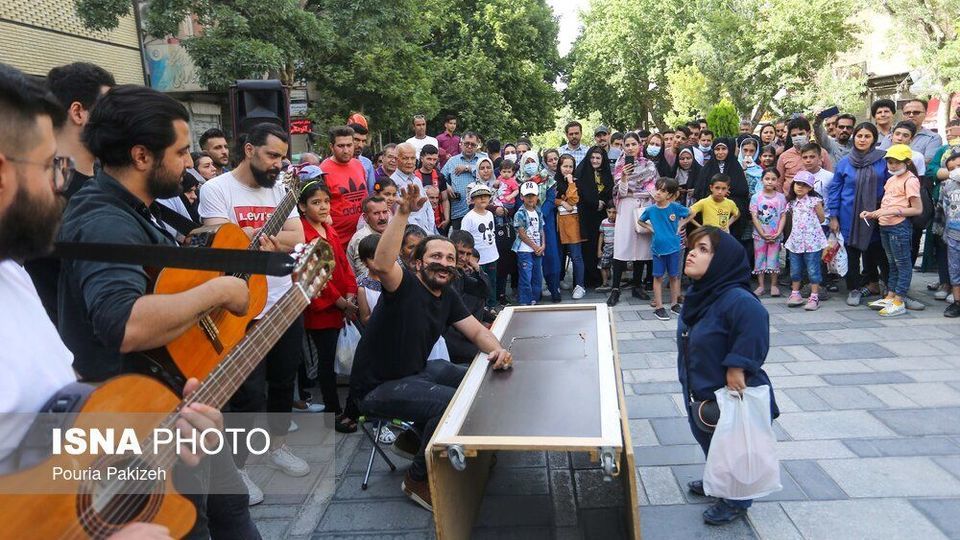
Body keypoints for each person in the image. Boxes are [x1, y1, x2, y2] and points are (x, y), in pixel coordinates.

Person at [0, 63, 246, 539]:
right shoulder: (101, 218)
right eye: (53, 165)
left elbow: (55, 417)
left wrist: (159, 429)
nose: (62, 186)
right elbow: (121, 323)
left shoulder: (11, 274)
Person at [349, 184, 512, 511]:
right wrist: (403, 212)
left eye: (450, 258)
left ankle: (415, 439)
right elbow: (381, 263)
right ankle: (418, 478)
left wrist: (498, 350)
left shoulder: (448, 295)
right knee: (452, 402)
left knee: (469, 378)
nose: (444, 262)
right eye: (435, 256)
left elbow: (477, 332)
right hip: (376, 387)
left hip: (414, 373)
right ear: (418, 262)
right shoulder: (402, 284)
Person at [198, 122, 310, 500]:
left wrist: (265, 240)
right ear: (248, 150)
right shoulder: (216, 189)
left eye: (282, 156)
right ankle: (238, 467)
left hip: (282, 300)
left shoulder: (281, 190)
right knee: (247, 393)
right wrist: (265, 239)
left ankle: (278, 447)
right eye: (272, 155)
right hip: (240, 309)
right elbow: (220, 238)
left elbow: (299, 237)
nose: (278, 164)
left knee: (282, 382)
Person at [677, 226, 778, 526]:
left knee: (733, 445)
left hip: (729, 390)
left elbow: (756, 327)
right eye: (694, 247)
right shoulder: (703, 293)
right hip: (702, 387)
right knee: (710, 438)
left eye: (704, 249)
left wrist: (738, 365)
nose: (692, 253)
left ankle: (736, 500)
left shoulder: (737, 299)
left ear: (722, 261)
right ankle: (718, 480)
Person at [23, 62, 115, 323]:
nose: (120, 121)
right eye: (110, 109)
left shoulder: (100, 179)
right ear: (78, 112)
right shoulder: (46, 187)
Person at [298, 179, 358, 415]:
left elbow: (343, 262)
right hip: (323, 309)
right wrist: (341, 302)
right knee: (327, 361)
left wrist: (351, 292)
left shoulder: (328, 228)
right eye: (316, 203)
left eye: (326, 202)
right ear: (303, 207)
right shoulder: (303, 233)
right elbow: (314, 276)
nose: (323, 207)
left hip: (343, 303)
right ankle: (333, 410)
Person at [826, 122, 890, 306]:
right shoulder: (845, 162)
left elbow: (889, 188)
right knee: (852, 254)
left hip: (874, 215)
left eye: (867, 136)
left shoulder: (883, 160)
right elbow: (835, 191)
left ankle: (888, 288)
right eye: (859, 136)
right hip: (849, 216)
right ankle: (853, 289)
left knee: (879, 252)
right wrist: (834, 216)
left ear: (874, 139)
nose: (862, 140)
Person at [859, 144, 923, 317]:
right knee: (892, 264)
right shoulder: (891, 179)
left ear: (907, 162)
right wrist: (872, 213)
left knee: (902, 264)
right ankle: (890, 296)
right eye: (890, 162)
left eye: (896, 162)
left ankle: (899, 300)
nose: (892, 165)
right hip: (885, 226)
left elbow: (917, 209)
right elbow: (888, 204)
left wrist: (891, 211)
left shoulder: (911, 180)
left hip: (899, 227)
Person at [607, 133, 657, 306]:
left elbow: (653, 189)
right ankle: (615, 289)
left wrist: (635, 191)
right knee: (622, 246)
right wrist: (625, 178)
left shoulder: (649, 165)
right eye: (626, 145)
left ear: (639, 145)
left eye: (633, 144)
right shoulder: (620, 165)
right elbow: (620, 192)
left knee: (642, 247)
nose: (630, 148)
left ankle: (637, 285)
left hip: (643, 206)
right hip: (626, 208)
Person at [637, 178, 690, 319]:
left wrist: (680, 225)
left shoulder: (675, 207)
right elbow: (640, 221)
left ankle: (674, 304)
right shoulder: (651, 210)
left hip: (674, 247)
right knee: (658, 277)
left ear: (670, 195)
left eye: (663, 191)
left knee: (674, 276)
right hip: (658, 249)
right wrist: (650, 227)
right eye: (657, 189)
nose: (658, 193)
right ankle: (659, 306)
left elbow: (691, 213)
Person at [321, 126, 369, 251]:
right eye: (341, 146)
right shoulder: (323, 171)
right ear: (331, 147)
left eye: (349, 145)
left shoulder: (358, 165)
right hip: (337, 242)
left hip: (362, 239)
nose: (346, 150)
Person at [784, 171, 828, 311]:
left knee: (813, 269)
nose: (800, 187)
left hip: (812, 241)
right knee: (795, 270)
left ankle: (814, 296)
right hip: (795, 241)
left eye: (804, 185)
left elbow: (821, 219)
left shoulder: (814, 201)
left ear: (810, 188)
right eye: (798, 184)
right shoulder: (791, 202)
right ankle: (795, 293)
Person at [576, 145, 614, 288]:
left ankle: (601, 278)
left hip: (601, 214)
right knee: (588, 246)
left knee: (601, 244)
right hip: (586, 214)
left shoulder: (606, 173)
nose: (595, 160)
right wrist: (593, 202)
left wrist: (602, 202)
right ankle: (588, 278)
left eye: (598, 158)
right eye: (592, 157)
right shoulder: (582, 171)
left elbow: (609, 188)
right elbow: (581, 191)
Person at [750, 168, 787, 296]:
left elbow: (783, 216)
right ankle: (760, 285)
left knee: (774, 259)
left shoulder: (781, 198)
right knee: (759, 259)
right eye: (767, 179)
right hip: (759, 235)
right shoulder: (756, 197)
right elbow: (754, 216)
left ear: (777, 181)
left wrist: (778, 232)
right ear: (762, 180)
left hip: (775, 235)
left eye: (773, 179)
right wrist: (761, 233)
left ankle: (773, 285)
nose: (769, 182)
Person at [461, 182, 499, 307]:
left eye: (486, 196)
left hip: (492, 255)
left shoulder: (489, 214)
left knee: (492, 281)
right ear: (473, 199)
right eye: (479, 196)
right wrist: (470, 259)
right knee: (479, 283)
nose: (483, 198)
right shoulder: (469, 218)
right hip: (478, 259)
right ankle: (481, 307)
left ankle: (492, 305)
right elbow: (464, 240)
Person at [555, 153, 586, 299]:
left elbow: (574, 199)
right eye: (565, 166)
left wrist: (571, 183)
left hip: (572, 223)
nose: (568, 169)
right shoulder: (553, 182)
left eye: (570, 166)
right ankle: (558, 281)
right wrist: (561, 202)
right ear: (559, 167)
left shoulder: (576, 181)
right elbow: (549, 199)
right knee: (558, 256)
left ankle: (579, 285)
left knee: (576, 256)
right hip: (557, 224)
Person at [776, 116, 833, 192]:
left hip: (818, 199)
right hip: (791, 200)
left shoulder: (822, 152)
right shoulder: (784, 156)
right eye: (794, 135)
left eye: (801, 134)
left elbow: (830, 178)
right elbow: (779, 183)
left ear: (808, 133)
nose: (797, 137)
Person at [441, 131, 483, 230]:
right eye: (466, 143)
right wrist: (446, 186)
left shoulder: (482, 160)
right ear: (461, 144)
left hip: (480, 211)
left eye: (473, 144)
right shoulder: (452, 161)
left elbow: (489, 174)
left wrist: (467, 168)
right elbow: (440, 177)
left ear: (477, 146)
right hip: (458, 212)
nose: (469, 146)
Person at [392, 142, 436, 234]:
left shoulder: (417, 180)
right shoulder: (392, 183)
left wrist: (430, 230)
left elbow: (427, 207)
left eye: (412, 158)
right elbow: (400, 213)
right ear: (396, 160)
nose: (410, 162)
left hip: (427, 232)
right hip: (408, 234)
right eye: (405, 158)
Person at [513, 181, 545, 305]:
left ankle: (534, 299)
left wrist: (543, 245)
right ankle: (524, 301)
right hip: (525, 250)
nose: (530, 198)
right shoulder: (520, 214)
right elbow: (521, 233)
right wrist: (535, 246)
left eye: (533, 195)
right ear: (522, 197)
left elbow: (542, 230)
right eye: (527, 196)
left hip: (537, 250)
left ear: (537, 196)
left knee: (537, 276)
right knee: (526, 276)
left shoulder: (538, 212)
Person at [539, 148, 563, 301]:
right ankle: (538, 289)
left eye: (556, 159)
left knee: (554, 255)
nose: (554, 162)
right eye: (550, 160)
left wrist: (541, 213)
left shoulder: (548, 180)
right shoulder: (525, 179)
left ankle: (555, 287)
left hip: (549, 219)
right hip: (531, 222)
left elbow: (550, 199)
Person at [938, 150, 960, 317]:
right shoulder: (946, 186)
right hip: (953, 234)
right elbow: (943, 210)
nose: (956, 171)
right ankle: (957, 302)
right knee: (954, 269)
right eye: (952, 169)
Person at [347, 195, 391, 278]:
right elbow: (364, 276)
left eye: (385, 212)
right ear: (365, 217)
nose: (382, 218)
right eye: (376, 213)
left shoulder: (391, 232)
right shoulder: (361, 239)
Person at [416, 144, 449, 232]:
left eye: (434, 159)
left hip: (438, 221)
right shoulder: (413, 177)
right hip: (419, 221)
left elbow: (445, 199)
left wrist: (447, 219)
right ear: (422, 158)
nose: (432, 162)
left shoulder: (440, 176)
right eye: (429, 159)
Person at [899, 99, 942, 164]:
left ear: (925, 114)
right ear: (903, 115)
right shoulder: (891, 135)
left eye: (916, 112)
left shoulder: (933, 138)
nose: (911, 115)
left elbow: (929, 163)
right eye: (907, 113)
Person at [348, 122, 377, 191]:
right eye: (356, 140)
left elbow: (371, 192)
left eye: (363, 141)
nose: (360, 145)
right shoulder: (330, 164)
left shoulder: (367, 163)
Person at [597, 205, 617, 291]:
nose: (611, 215)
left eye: (614, 212)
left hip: (617, 248)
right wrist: (599, 249)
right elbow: (601, 235)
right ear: (606, 211)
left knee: (616, 266)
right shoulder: (604, 222)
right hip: (607, 248)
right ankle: (605, 283)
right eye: (609, 212)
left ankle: (615, 285)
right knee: (602, 265)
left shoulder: (619, 222)